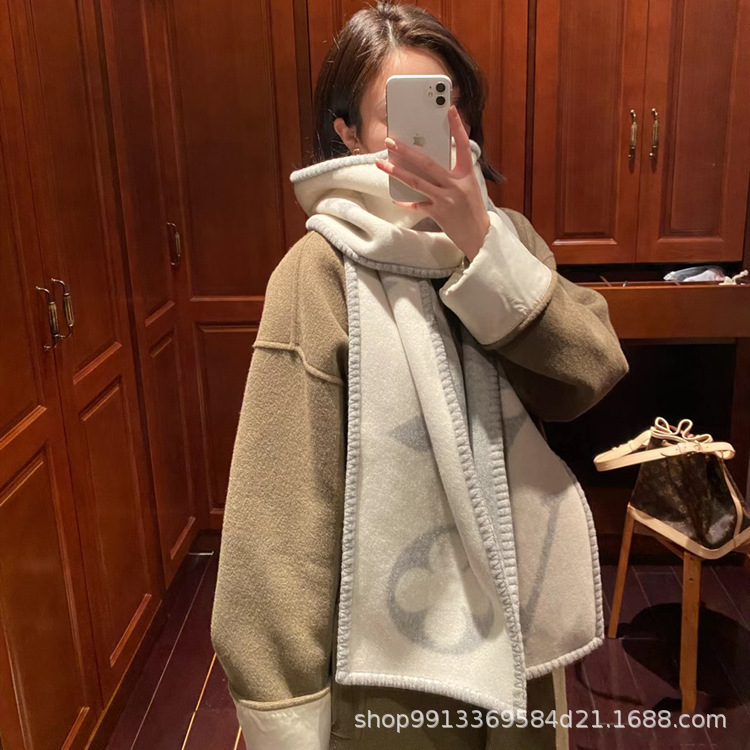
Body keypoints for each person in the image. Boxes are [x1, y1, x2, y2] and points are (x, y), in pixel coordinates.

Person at [211, 3, 629, 749]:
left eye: (446, 107)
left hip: (518, 642)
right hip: (385, 667)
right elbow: (280, 525)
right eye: (400, 115)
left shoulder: (506, 239)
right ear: (347, 133)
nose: (436, 133)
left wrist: (482, 247)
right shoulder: (319, 271)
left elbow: (588, 374)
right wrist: (282, 700)